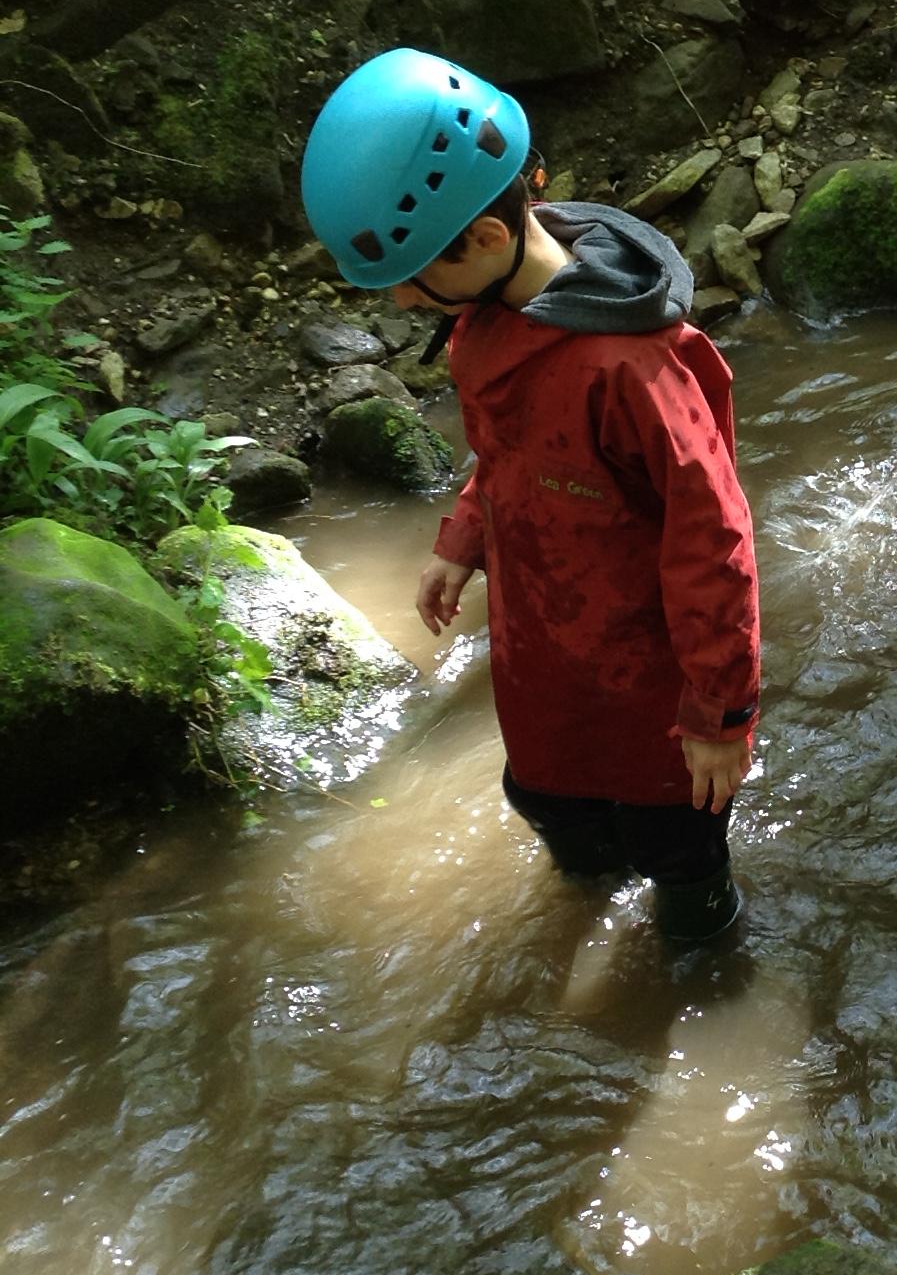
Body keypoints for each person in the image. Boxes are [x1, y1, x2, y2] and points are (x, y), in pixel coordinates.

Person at [300, 47, 760, 945]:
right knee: (552, 805)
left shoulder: (633, 368)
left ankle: (701, 962)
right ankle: (580, 891)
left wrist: (720, 714)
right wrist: (463, 538)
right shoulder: (488, 313)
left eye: (411, 278)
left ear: (483, 239)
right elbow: (505, 454)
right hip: (547, 657)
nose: (404, 305)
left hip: (650, 683)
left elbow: (714, 544)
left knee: (678, 857)